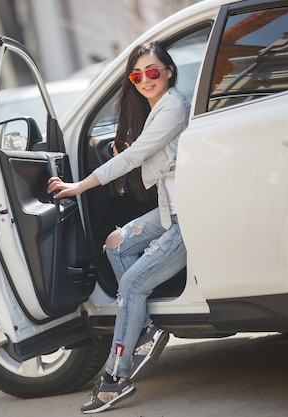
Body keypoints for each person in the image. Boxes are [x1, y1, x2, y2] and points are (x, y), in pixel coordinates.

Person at [47, 41, 190, 414]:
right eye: (137, 75)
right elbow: (146, 160)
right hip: (166, 213)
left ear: (169, 71)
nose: (145, 80)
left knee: (130, 285)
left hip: (187, 222)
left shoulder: (173, 107)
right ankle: (142, 331)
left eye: (153, 72)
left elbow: (136, 157)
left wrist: (78, 186)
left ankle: (116, 377)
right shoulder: (158, 111)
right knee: (115, 244)